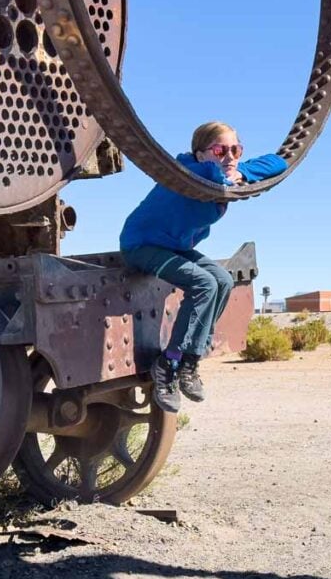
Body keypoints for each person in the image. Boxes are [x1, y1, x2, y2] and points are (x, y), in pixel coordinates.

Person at [120, 121, 287, 412]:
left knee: (222, 279)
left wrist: (241, 171)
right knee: (204, 283)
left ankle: (190, 360)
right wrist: (225, 176)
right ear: (200, 154)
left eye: (236, 149)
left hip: (173, 246)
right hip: (142, 245)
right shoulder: (186, 173)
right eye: (220, 150)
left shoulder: (224, 171)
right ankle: (168, 363)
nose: (229, 156)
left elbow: (277, 163)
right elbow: (207, 174)